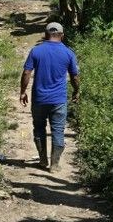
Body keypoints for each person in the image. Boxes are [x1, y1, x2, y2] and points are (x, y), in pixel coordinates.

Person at [19, 22, 80, 171]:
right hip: (59, 100)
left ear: (46, 35)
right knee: (58, 130)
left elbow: (27, 72)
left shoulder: (36, 51)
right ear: (62, 36)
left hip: (39, 99)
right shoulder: (68, 53)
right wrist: (76, 90)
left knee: (39, 128)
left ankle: (42, 160)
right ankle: (54, 164)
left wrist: (23, 91)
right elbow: (74, 76)